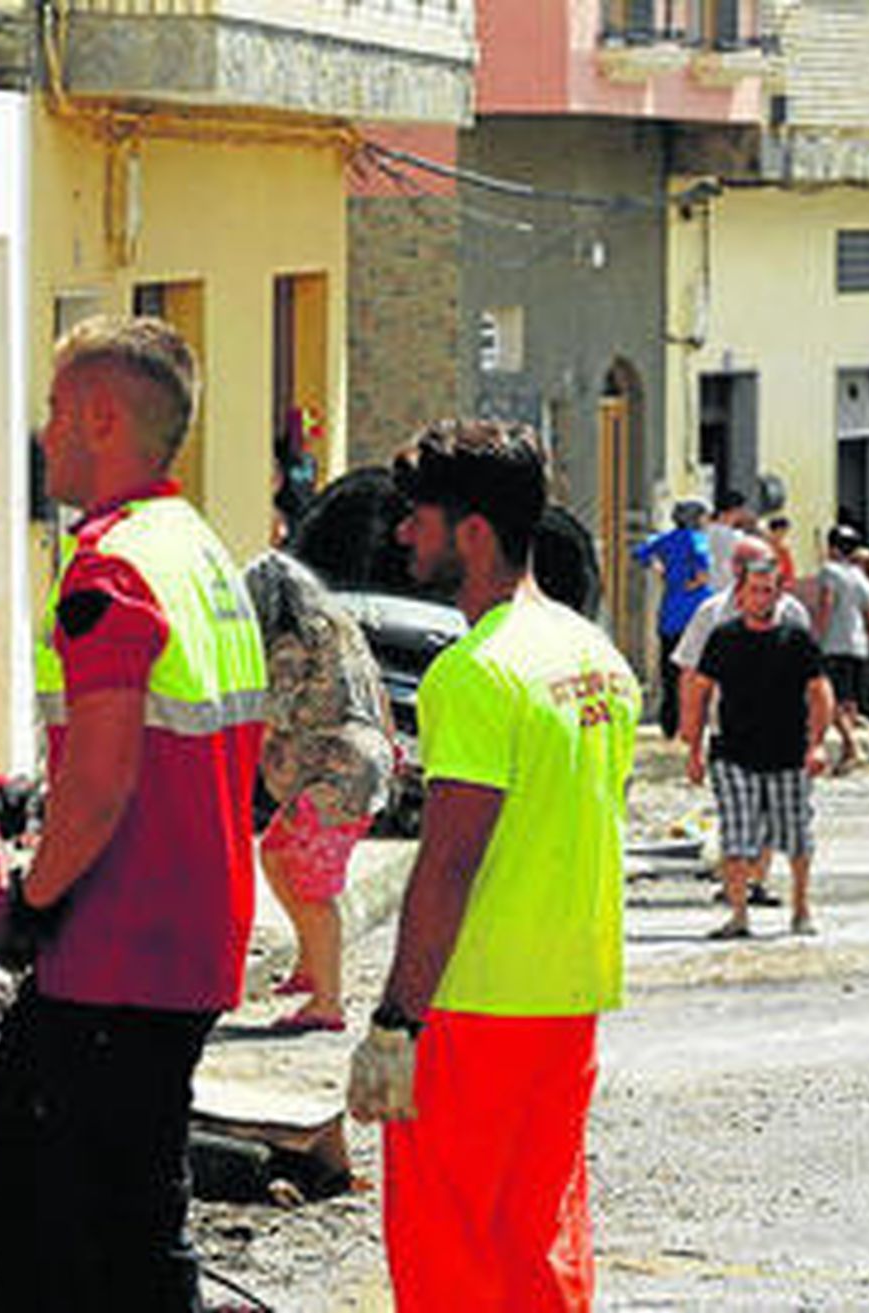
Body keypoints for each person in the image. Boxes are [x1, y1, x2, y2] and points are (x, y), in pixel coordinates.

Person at [0, 316, 269, 1312]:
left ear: (98, 416)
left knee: (16, 1184)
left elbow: (100, 785)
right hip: (191, 932)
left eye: (52, 409)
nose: (43, 432)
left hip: (118, 950)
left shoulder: (110, 566)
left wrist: (29, 904)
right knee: (126, 1202)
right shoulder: (200, 550)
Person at [345, 419, 640, 1311]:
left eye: (418, 517)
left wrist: (396, 1019)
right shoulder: (596, 657)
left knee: (448, 1257)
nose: (402, 534)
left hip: (474, 1008)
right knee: (537, 1244)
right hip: (568, 996)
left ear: (471, 531)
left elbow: (449, 864)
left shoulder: (473, 675)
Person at [243, 549, 393, 1035]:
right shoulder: (339, 627)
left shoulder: (291, 642)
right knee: (277, 852)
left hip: (336, 773)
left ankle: (327, 1001)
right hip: (360, 766)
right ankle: (310, 965)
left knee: (308, 880)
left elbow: (276, 711)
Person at [681, 554, 833, 939]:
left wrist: (817, 744)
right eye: (755, 591)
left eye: (769, 591)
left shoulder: (796, 639)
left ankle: (800, 909)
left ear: (779, 594)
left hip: (787, 753)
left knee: (796, 834)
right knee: (736, 832)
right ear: (741, 595)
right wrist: (693, 749)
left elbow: (819, 691)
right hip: (732, 752)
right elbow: (699, 691)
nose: (762, 598)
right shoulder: (724, 638)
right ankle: (739, 916)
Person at [630, 497, 711, 738]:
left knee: (669, 671)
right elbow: (703, 572)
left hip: (669, 613)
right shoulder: (697, 540)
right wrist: (694, 582)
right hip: (695, 614)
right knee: (696, 671)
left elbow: (640, 552)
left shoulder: (665, 539)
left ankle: (669, 723)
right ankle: (694, 724)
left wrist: (659, 567)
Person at [814, 524, 869, 776]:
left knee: (831, 702)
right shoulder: (862, 577)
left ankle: (852, 747)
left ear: (832, 548)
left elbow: (826, 606)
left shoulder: (829, 572)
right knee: (849, 702)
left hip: (834, 643)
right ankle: (846, 755)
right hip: (857, 645)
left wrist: (816, 636)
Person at [704, 490, 755, 591]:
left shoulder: (704, 532)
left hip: (707, 588)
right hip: (728, 587)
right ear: (735, 510)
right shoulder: (736, 537)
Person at [765, 514, 798, 593]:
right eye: (783, 531)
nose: (784, 535)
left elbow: (789, 572)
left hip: (782, 585)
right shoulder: (764, 546)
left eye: (785, 532)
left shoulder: (784, 548)